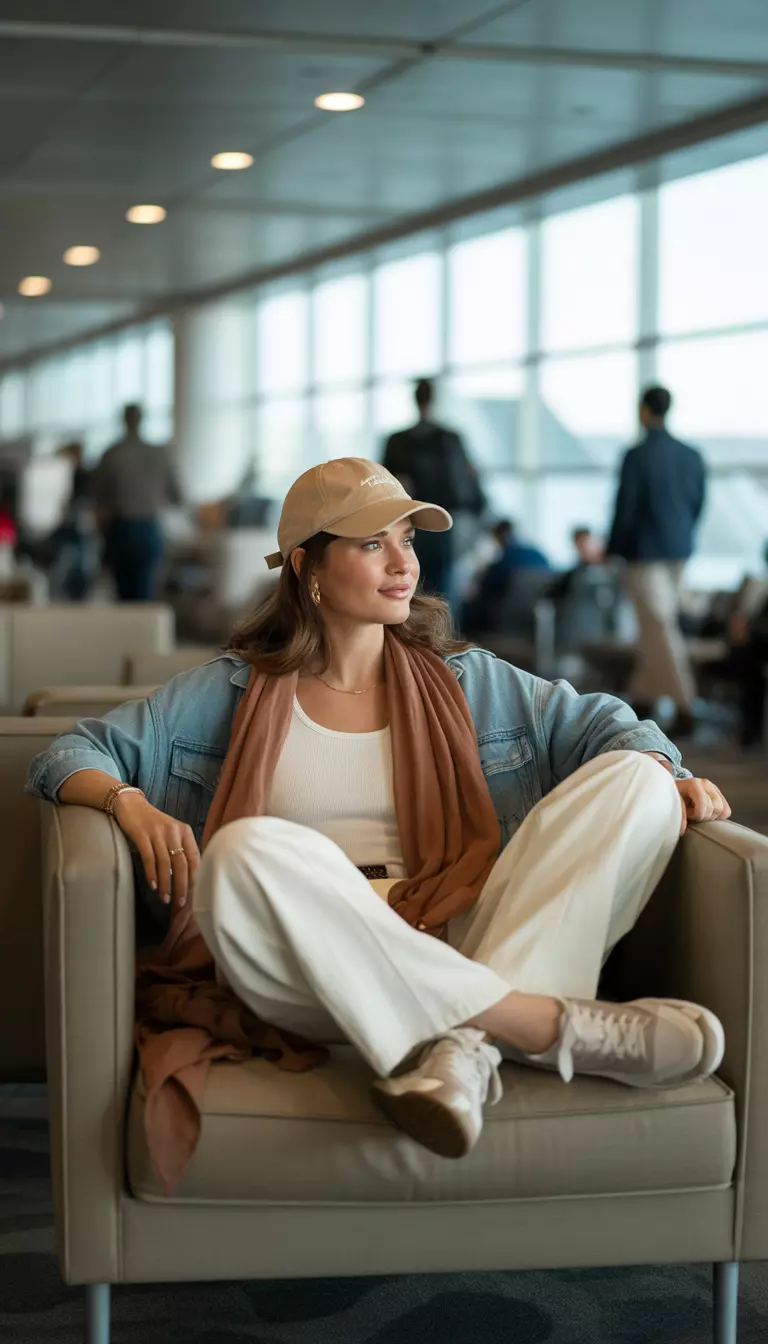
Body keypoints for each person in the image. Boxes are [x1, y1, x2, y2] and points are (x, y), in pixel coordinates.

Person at [27, 456, 731, 1193]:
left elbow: (612, 727)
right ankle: (542, 1027)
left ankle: (462, 1051)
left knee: (637, 777)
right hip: (315, 960)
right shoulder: (225, 691)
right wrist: (128, 802)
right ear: (308, 567)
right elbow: (69, 753)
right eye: (372, 544)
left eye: (407, 540)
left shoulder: (470, 680)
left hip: (455, 929)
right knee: (239, 852)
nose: (404, 564)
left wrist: (669, 772)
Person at [606, 386, 707, 738]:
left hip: (645, 553)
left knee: (660, 628)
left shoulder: (637, 456)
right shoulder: (691, 455)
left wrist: (613, 548)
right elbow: (698, 502)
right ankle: (644, 697)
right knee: (653, 628)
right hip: (679, 549)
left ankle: (686, 705)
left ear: (644, 410)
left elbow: (626, 506)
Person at [383, 378, 484, 602]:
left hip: (407, 523)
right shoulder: (450, 440)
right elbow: (467, 486)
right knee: (443, 588)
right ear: (434, 399)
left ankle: (408, 623)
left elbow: (382, 487)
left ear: (415, 399)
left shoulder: (397, 442)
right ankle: (441, 624)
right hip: (443, 522)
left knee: (408, 583)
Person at [92, 404, 181, 601]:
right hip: (150, 529)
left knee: (125, 597)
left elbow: (99, 502)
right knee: (145, 592)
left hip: (122, 531)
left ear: (123, 420)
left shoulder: (111, 454)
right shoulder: (159, 454)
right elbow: (178, 496)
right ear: (142, 420)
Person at [460, 520, 551, 635]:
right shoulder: (538, 554)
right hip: (539, 612)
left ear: (499, 536)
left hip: (508, 615)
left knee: (469, 606)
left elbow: (486, 588)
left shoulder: (504, 560)